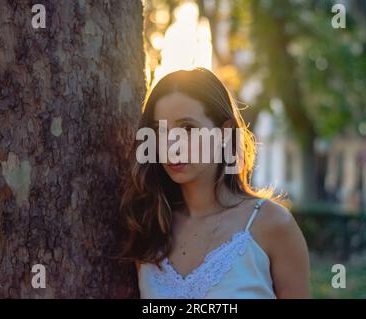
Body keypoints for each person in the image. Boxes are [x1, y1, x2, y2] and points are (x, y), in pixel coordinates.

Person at [117, 68, 310, 299]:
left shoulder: (271, 225)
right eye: (160, 131)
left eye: (188, 129)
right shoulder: (148, 226)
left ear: (224, 133)